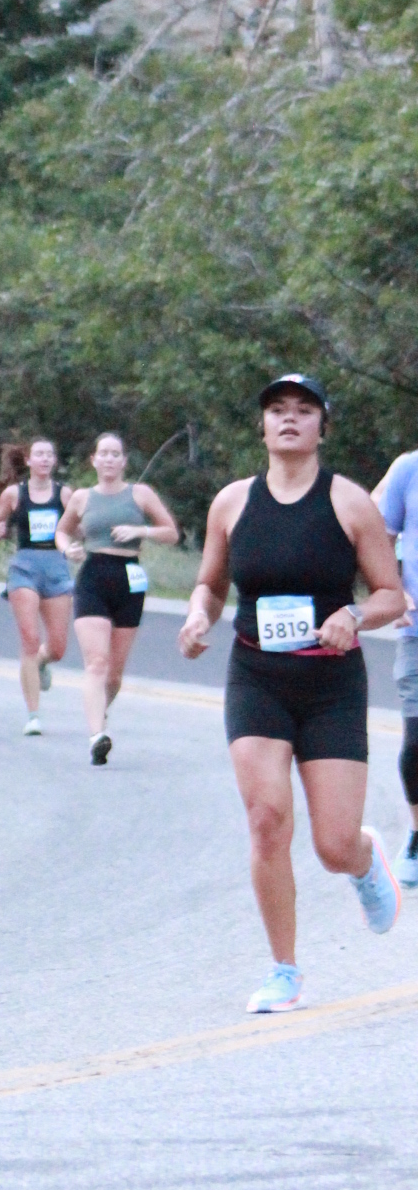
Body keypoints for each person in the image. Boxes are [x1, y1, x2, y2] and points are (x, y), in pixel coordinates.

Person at [178, 373, 402, 1013]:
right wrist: (197, 617)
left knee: (332, 845)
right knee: (266, 820)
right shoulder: (232, 503)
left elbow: (392, 595)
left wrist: (353, 615)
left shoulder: (349, 502)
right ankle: (285, 970)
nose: (289, 419)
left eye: (304, 410)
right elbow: (211, 584)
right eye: (277, 410)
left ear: (321, 427)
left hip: (331, 684)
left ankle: (363, 860)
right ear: (263, 426)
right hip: (258, 678)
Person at [55, 433, 179, 765]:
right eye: (103, 454)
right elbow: (62, 530)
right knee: (96, 662)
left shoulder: (140, 494)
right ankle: (97, 735)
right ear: (93, 460)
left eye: (115, 454)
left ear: (124, 461)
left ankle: (100, 713)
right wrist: (68, 549)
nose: (109, 459)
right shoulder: (82, 497)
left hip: (129, 578)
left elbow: (171, 532)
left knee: (113, 674)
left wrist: (141, 531)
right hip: (93, 576)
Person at [0, 437, 74, 737]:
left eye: (49, 454)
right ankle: (33, 715)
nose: (44, 459)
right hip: (24, 568)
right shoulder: (14, 494)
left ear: (54, 461)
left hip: (56, 568)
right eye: (39, 454)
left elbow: (77, 526)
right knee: (29, 639)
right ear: (28, 460)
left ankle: (42, 661)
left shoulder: (65, 494)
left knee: (58, 647)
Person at [372, 444, 418, 885]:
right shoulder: (408, 469)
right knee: (417, 739)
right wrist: (393, 590)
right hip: (416, 630)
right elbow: (379, 540)